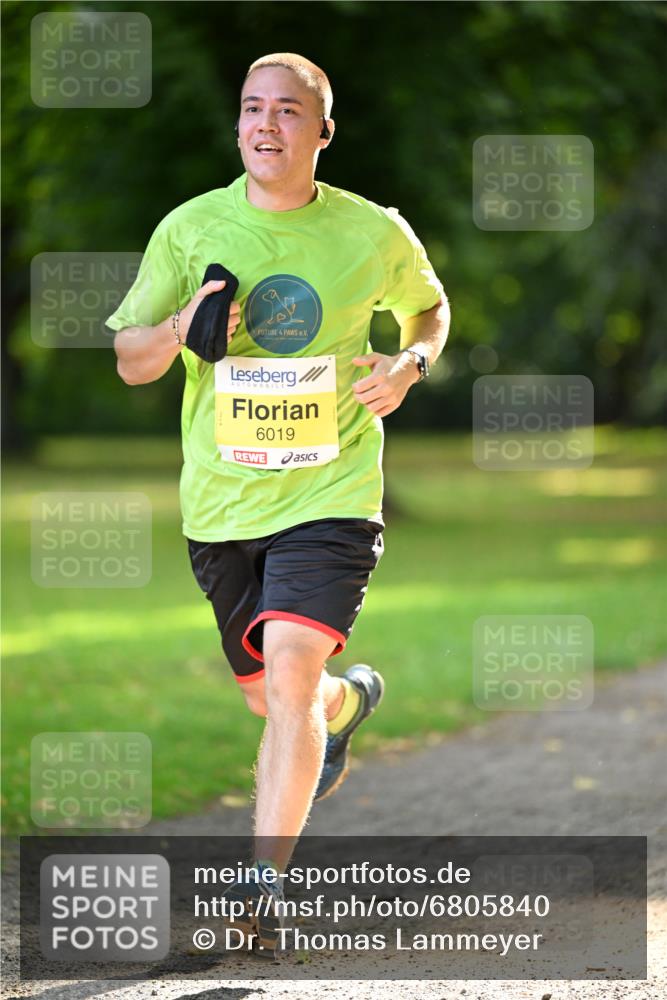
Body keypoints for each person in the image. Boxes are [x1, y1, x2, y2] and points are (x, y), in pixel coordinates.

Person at [108, 51, 450, 957]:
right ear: (238, 129)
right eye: (253, 109)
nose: (267, 124)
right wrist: (184, 327)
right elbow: (132, 360)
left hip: (331, 489)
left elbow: (429, 309)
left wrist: (408, 364)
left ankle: (258, 896)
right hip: (221, 507)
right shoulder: (189, 229)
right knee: (280, 701)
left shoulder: (370, 232)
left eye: (288, 111)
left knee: (289, 674)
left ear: (322, 131)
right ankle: (344, 706)